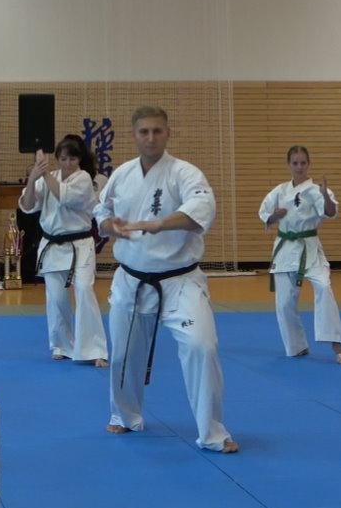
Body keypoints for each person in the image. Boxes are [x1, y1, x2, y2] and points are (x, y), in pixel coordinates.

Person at [95, 106, 237, 453]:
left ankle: (213, 432)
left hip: (180, 280)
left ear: (168, 134)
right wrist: (109, 226)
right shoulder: (122, 175)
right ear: (134, 135)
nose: (151, 137)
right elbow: (101, 212)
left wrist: (161, 224)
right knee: (124, 355)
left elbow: (203, 210)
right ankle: (125, 415)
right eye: (144, 131)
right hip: (132, 279)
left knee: (202, 346)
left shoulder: (185, 173)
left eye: (157, 131)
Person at [18, 133, 109, 366]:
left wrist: (44, 172)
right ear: (58, 159)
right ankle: (62, 345)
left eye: (72, 159)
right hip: (52, 245)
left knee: (84, 291)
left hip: (80, 245)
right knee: (56, 298)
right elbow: (27, 206)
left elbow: (64, 197)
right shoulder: (49, 178)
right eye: (63, 158)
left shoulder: (84, 179)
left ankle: (94, 349)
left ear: (80, 160)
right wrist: (33, 178)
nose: (68, 163)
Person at [258, 145, 341, 364]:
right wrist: (274, 216)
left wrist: (325, 195)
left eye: (303, 163)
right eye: (295, 163)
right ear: (289, 164)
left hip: (309, 246)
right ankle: (297, 346)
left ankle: (335, 343)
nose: (299, 167)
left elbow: (330, 212)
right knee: (284, 303)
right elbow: (264, 213)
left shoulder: (317, 190)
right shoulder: (279, 191)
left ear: (309, 164)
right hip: (285, 249)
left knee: (323, 287)